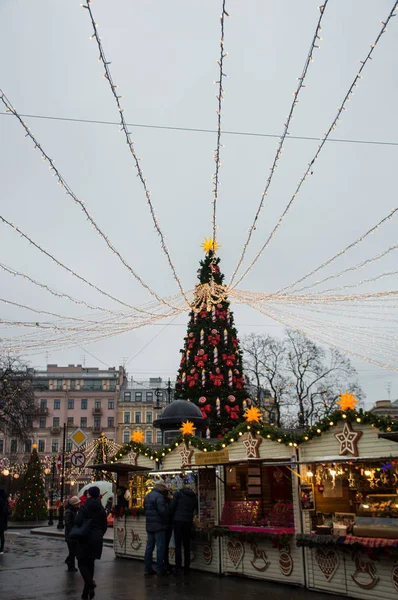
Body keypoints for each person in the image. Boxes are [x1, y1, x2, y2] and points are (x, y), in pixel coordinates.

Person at [75, 486, 107, 600]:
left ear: (89, 494)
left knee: (81, 562)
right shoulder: (101, 508)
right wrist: (99, 534)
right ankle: (85, 593)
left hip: (85, 536)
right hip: (97, 537)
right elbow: (104, 525)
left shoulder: (84, 506)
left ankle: (90, 583)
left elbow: (78, 521)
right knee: (91, 563)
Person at [170, 483, 198, 575]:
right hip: (188, 521)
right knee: (186, 545)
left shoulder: (178, 494)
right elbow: (195, 508)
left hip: (178, 521)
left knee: (178, 545)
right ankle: (187, 567)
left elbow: (172, 507)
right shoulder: (194, 496)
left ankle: (178, 567)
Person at [143, 481, 168, 576]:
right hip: (159, 526)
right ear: (160, 487)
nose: (164, 489)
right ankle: (159, 568)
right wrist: (166, 521)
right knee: (160, 547)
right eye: (163, 488)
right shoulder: (159, 497)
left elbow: (145, 510)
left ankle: (147, 568)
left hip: (149, 525)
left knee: (149, 547)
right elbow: (162, 511)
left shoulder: (147, 496)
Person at [64, 495, 81, 571]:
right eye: (77, 504)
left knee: (73, 550)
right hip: (70, 534)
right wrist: (72, 532)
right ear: (73, 504)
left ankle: (70, 563)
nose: (78, 505)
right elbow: (68, 523)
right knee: (72, 550)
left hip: (73, 533)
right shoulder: (69, 512)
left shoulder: (75, 511)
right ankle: (71, 565)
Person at [0, 488, 11, 555]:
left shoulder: (1, 500)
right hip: (3, 520)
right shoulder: (5, 500)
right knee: (1, 535)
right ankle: (1, 548)